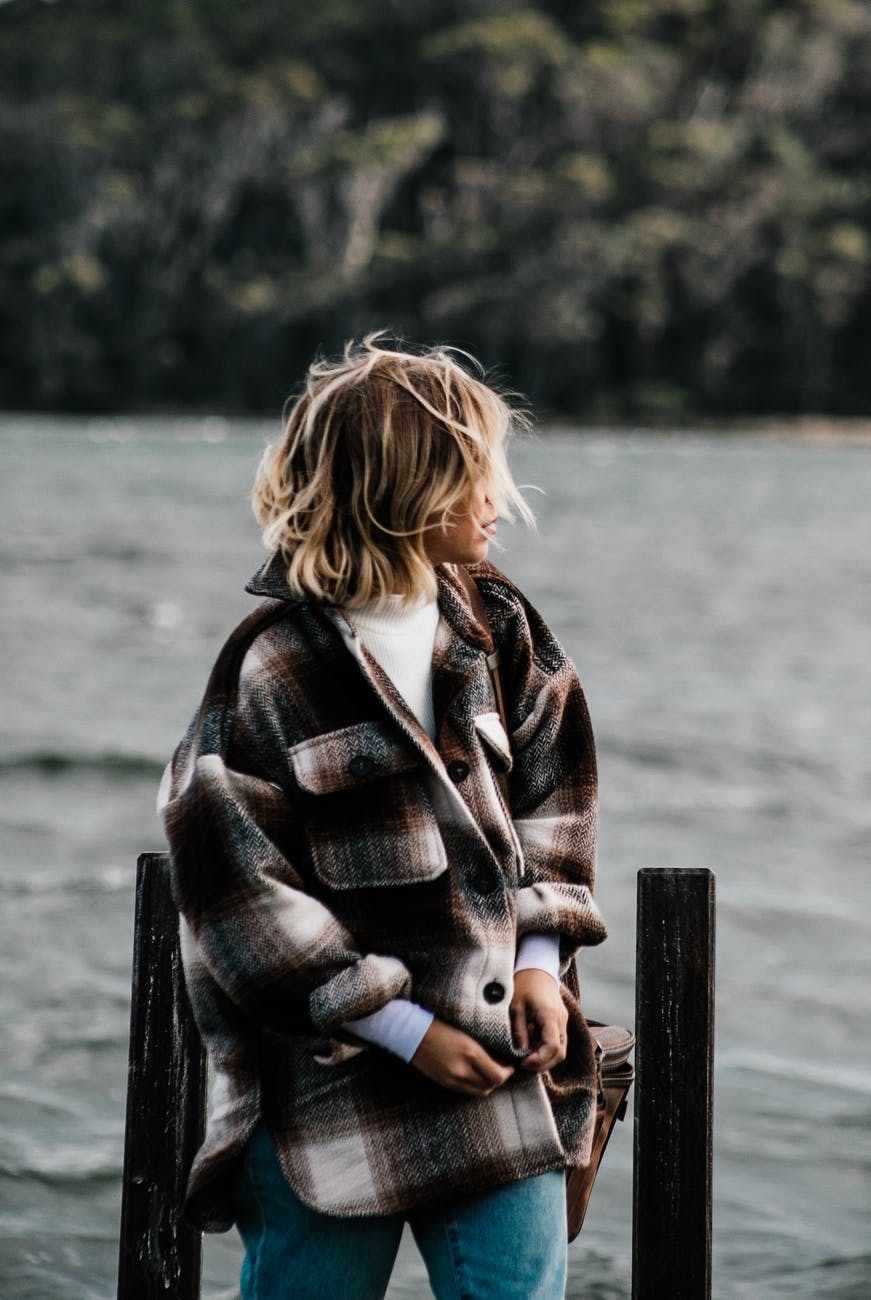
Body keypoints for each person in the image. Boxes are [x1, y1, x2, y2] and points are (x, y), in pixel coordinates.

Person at [158, 335, 607, 1300]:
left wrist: (539, 963)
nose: (497, 496)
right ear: (405, 489)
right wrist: (402, 1029)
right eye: (474, 472)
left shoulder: (500, 627)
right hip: (331, 1093)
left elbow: (557, 798)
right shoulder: (275, 665)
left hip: (495, 1069)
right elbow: (236, 888)